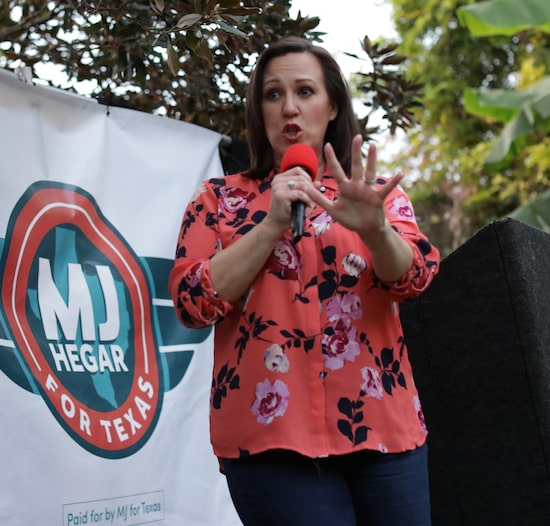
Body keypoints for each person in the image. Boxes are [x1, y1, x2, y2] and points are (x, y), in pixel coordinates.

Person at [168, 36, 440, 526]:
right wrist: (270, 224)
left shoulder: (373, 197)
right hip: (271, 442)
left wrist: (375, 228)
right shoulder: (217, 200)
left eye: (305, 91)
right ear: (259, 110)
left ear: (332, 104)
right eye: (273, 94)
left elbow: (416, 277)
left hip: (384, 433)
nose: (289, 108)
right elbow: (192, 304)